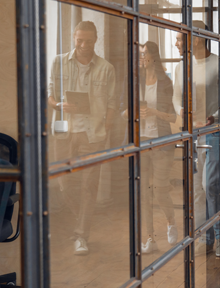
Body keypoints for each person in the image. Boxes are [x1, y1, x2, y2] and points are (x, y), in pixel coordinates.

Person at [47, 21, 116, 255]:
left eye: (88, 40)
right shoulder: (58, 62)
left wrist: (104, 133)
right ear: (74, 38)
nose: (83, 45)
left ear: (95, 40)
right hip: (64, 132)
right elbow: (50, 95)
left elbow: (111, 105)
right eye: (79, 40)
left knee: (89, 185)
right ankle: (81, 223)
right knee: (63, 183)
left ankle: (81, 235)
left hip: (92, 135)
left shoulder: (106, 68)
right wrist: (59, 104)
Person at [173, 21, 220, 256]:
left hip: (213, 131)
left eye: (180, 38)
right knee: (197, 189)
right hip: (191, 133)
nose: (176, 43)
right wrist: (180, 109)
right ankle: (205, 236)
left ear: (197, 38)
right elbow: (175, 97)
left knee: (210, 185)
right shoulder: (181, 67)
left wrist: (215, 117)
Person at [121, 41, 178, 253]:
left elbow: (173, 116)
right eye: (140, 54)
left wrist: (155, 113)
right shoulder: (132, 79)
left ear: (154, 56)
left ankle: (171, 221)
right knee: (143, 191)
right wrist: (133, 112)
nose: (142, 58)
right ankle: (149, 238)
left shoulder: (166, 82)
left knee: (160, 189)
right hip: (140, 141)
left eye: (145, 53)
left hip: (161, 141)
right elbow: (122, 111)